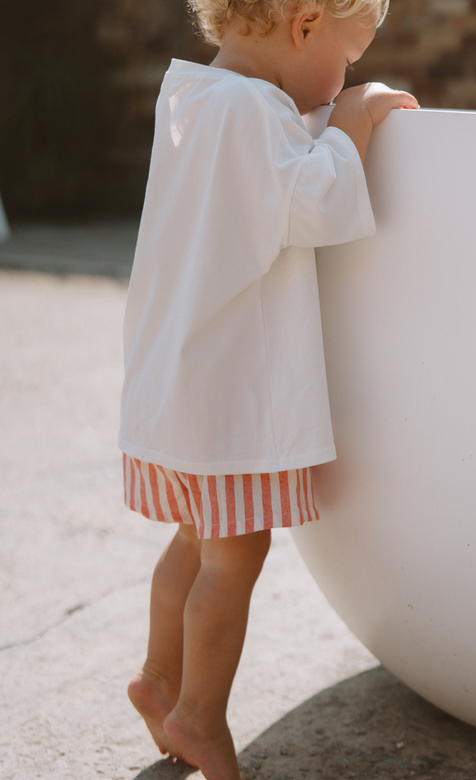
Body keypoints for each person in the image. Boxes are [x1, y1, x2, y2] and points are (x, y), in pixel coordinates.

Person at [118, 0, 418, 775]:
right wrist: (353, 119)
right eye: (348, 60)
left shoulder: (193, 94)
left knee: (194, 537)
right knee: (235, 554)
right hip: (224, 392)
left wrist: (329, 110)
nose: (341, 81)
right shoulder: (254, 113)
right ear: (305, 24)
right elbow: (314, 203)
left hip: (174, 377)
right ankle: (199, 717)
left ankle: (158, 678)